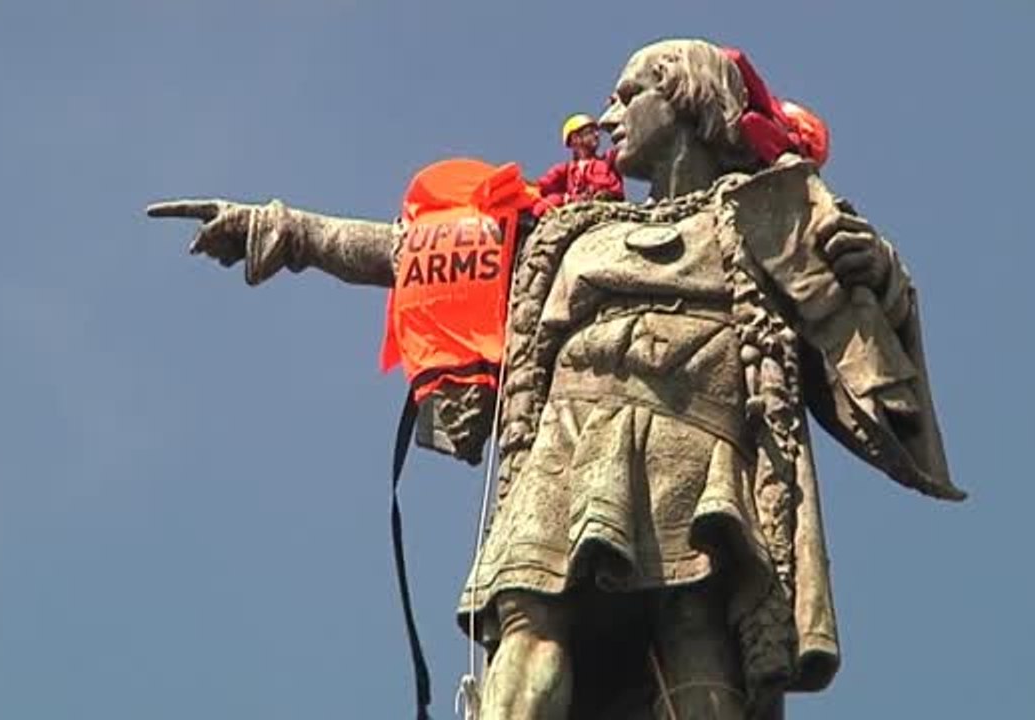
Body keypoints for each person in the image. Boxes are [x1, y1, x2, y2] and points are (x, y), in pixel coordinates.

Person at [146, 38, 961, 720]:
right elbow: (411, 252)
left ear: (682, 100)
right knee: (528, 629)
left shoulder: (769, 219)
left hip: (698, 452)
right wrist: (281, 229)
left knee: (696, 637)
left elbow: (865, 347)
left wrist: (879, 277)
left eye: (627, 93)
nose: (607, 116)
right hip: (566, 452)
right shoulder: (561, 229)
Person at [534, 114, 625, 214]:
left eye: (596, 131)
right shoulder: (565, 169)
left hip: (608, 208)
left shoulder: (608, 159)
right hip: (577, 209)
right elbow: (540, 187)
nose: (596, 135)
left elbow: (626, 148)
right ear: (575, 138)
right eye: (590, 132)